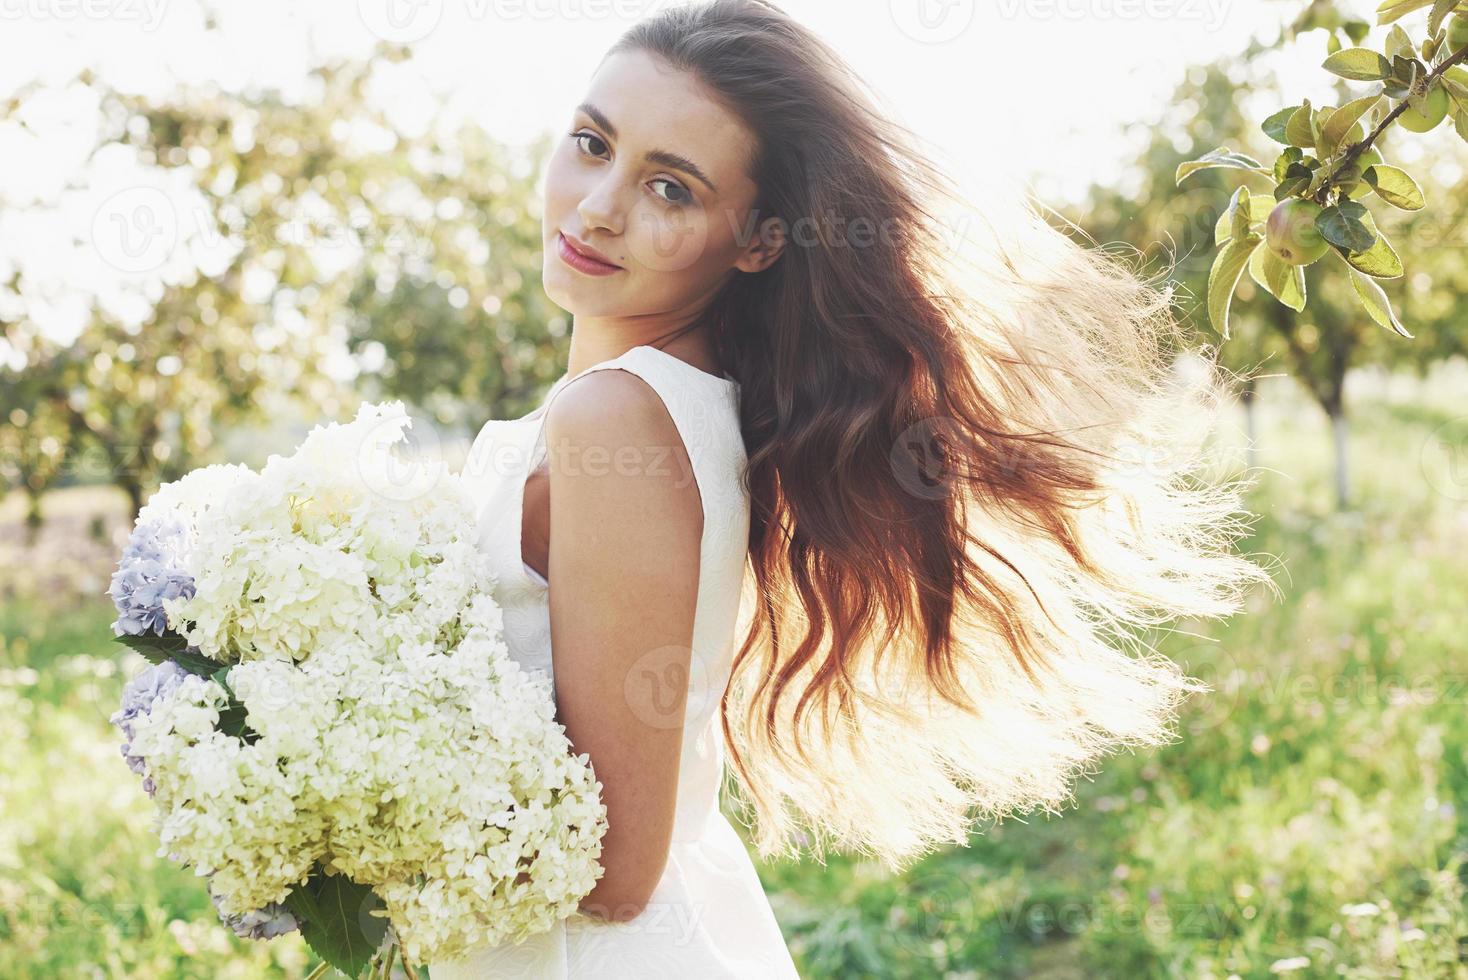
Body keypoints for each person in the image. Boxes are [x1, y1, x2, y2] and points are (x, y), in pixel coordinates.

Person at [439, 1, 1271, 976]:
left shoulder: (618, 419)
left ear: (756, 240)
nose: (595, 206)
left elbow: (616, 871)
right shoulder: (668, 405)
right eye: (591, 143)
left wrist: (341, 819)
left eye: (669, 187)